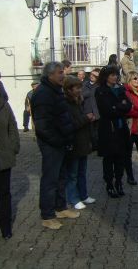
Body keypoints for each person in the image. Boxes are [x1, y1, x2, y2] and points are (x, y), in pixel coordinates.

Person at [31, 62, 79, 230]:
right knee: (50, 180)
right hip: (52, 144)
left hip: (61, 141)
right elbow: (43, 126)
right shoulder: (43, 94)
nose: (63, 75)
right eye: (59, 73)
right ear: (50, 74)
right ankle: (47, 215)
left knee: (61, 177)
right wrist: (58, 141)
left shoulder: (55, 91)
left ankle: (60, 208)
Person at [95, 65, 132, 198]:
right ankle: (109, 184)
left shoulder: (120, 89)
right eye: (112, 75)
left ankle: (119, 182)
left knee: (121, 157)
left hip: (121, 129)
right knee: (109, 158)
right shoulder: (100, 91)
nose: (115, 77)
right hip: (108, 130)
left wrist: (118, 106)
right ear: (106, 77)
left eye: (116, 74)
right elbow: (107, 111)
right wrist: (119, 106)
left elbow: (128, 106)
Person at [63, 76, 96, 210]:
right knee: (73, 174)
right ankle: (73, 198)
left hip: (82, 142)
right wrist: (86, 118)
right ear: (69, 89)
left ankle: (83, 195)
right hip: (74, 143)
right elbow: (70, 124)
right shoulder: (66, 104)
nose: (79, 90)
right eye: (77, 88)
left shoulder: (78, 101)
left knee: (82, 171)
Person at [0, 74, 19, 240]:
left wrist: (13, 147)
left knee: (4, 193)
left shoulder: (4, 105)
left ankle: (6, 227)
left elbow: (12, 126)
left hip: (3, 156)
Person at [82, 68, 101, 151]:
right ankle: (92, 146)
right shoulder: (84, 84)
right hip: (87, 111)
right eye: (91, 74)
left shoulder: (99, 85)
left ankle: (97, 146)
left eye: (95, 75)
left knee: (97, 131)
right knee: (89, 132)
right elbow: (81, 96)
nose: (92, 76)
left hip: (97, 112)